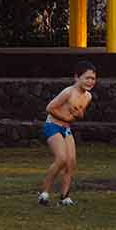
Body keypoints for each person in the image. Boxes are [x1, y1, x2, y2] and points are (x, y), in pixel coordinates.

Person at [39, 61, 97, 206]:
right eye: (87, 77)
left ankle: (64, 197)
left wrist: (79, 115)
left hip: (66, 129)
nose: (90, 81)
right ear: (77, 78)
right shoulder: (68, 92)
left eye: (93, 78)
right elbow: (50, 108)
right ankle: (44, 193)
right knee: (61, 159)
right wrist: (66, 118)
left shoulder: (88, 96)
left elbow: (79, 114)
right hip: (52, 126)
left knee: (71, 162)